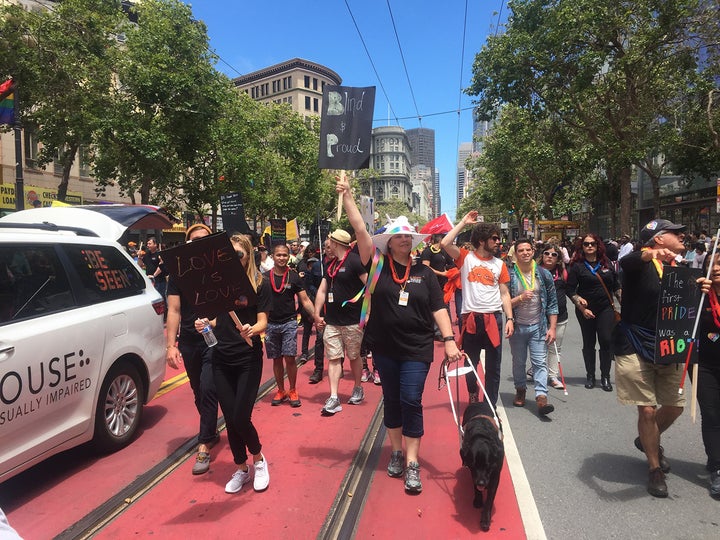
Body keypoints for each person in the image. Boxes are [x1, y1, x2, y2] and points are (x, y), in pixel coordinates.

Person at [337, 175, 462, 493]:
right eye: (398, 235)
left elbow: (439, 310)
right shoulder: (376, 265)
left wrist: (448, 341)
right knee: (392, 401)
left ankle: (412, 463)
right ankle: (395, 451)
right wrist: (348, 196)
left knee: (411, 400)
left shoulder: (424, 273)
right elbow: (361, 230)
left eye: (408, 235)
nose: (405, 239)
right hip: (385, 349)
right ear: (388, 243)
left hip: (417, 349)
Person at [614, 218, 687, 498]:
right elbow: (628, 262)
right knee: (646, 409)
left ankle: (647, 440)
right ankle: (654, 468)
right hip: (635, 343)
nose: (682, 235)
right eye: (675, 232)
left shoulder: (678, 267)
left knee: (675, 406)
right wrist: (650, 255)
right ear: (657, 239)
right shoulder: (639, 264)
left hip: (669, 345)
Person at [196, 233, 271, 494]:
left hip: (247, 358)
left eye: (237, 254)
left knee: (240, 415)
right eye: (228, 255)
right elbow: (217, 321)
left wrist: (253, 328)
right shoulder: (218, 284)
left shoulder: (259, 283)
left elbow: (263, 321)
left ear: (248, 255)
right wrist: (205, 324)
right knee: (229, 416)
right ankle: (241, 468)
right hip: (221, 357)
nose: (233, 259)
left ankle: (259, 459)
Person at [441, 212, 514, 407]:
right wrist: (464, 222)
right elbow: (446, 243)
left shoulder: (500, 264)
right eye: (495, 238)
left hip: (494, 318)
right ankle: (473, 393)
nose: (499, 242)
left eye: (499, 238)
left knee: (494, 367)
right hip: (471, 318)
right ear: (482, 241)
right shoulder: (465, 258)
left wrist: (509, 319)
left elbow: (505, 293)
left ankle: (489, 405)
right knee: (470, 363)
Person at [166, 223, 220, 475]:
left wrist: (214, 322)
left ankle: (204, 443)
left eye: (204, 239)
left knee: (209, 387)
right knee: (198, 390)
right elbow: (174, 310)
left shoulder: (220, 270)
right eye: (194, 239)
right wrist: (170, 345)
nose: (198, 242)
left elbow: (229, 305)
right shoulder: (177, 275)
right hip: (189, 341)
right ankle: (211, 429)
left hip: (215, 339)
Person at [313, 229, 368, 416]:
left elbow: (370, 286)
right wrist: (316, 313)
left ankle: (358, 387)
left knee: (353, 356)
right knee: (334, 358)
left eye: (330, 243)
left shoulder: (354, 261)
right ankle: (334, 397)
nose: (328, 247)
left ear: (337, 243)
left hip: (353, 320)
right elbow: (322, 290)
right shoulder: (331, 265)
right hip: (332, 321)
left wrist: (367, 312)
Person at [507, 239, 558, 416]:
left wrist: (552, 328)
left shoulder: (544, 274)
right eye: (521, 250)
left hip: (538, 326)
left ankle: (541, 397)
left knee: (539, 362)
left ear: (533, 251)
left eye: (528, 249)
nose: (525, 253)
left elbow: (552, 303)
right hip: (518, 327)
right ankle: (520, 389)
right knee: (519, 362)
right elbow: (503, 303)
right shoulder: (509, 275)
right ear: (515, 253)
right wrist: (520, 298)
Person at [567, 233, 621, 391]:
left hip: (605, 308)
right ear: (581, 247)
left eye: (592, 244)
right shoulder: (577, 266)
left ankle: (605, 377)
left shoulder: (607, 264)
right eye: (586, 244)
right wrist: (581, 306)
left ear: (598, 246)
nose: (589, 246)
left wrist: (622, 298)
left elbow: (616, 285)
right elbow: (570, 290)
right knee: (588, 342)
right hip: (586, 311)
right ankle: (590, 375)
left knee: (605, 340)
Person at [265, 243, 316, 408]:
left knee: (289, 357)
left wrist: (316, 316)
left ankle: (292, 389)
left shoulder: (294, 277)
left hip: (289, 322)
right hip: (271, 323)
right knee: (277, 359)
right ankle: (281, 390)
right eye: (278, 255)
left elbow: (305, 300)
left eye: (284, 255)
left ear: (289, 257)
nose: (281, 258)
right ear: (272, 256)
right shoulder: (264, 277)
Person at [696, 250, 720, 498]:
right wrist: (696, 297)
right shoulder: (699, 293)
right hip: (704, 365)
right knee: (712, 414)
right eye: (713, 263)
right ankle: (717, 465)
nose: (717, 268)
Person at [539, 242, 569, 390]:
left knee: (555, 347)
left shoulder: (563, 273)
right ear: (542, 255)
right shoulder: (535, 271)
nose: (550, 256)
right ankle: (537, 369)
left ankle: (552, 376)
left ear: (558, 259)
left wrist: (580, 303)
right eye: (547, 253)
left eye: (554, 254)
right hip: (540, 316)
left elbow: (571, 291)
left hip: (561, 316)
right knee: (539, 346)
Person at [421, 233, 455, 339]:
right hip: (431, 283)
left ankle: (446, 329)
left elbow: (452, 264)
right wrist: (441, 273)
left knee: (445, 305)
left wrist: (448, 270)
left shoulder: (445, 252)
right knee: (435, 306)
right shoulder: (428, 252)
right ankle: (437, 331)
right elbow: (425, 267)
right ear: (440, 241)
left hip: (444, 283)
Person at [309, 238, 333, 384]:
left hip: (336, 308)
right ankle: (318, 369)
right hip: (322, 307)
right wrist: (319, 293)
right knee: (319, 339)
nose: (330, 249)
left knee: (338, 339)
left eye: (332, 246)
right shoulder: (318, 266)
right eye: (327, 247)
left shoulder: (341, 264)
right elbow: (310, 284)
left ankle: (339, 366)